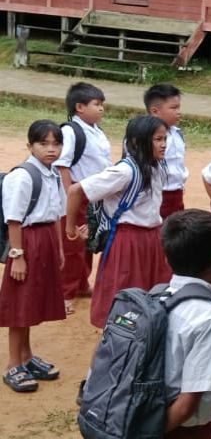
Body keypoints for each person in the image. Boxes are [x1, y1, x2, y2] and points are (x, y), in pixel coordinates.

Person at [67, 115, 171, 329]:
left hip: (152, 239)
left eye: (164, 139)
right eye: (157, 139)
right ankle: (117, 338)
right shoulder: (125, 171)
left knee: (151, 293)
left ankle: (139, 338)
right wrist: (70, 228)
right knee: (125, 294)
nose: (163, 145)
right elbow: (75, 190)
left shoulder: (154, 166)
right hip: (128, 242)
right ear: (136, 142)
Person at [1, 120, 67, 393]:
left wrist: (59, 249)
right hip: (26, 242)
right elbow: (14, 220)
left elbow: (56, 215)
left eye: (56, 144)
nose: (51, 149)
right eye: (43, 143)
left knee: (32, 302)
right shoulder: (23, 176)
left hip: (46, 240)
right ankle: (13, 364)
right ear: (30, 146)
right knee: (20, 304)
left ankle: (27, 356)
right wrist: (17, 256)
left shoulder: (54, 174)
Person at [161, 210, 211, 439]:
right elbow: (187, 406)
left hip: (146, 412)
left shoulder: (154, 297)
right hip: (180, 429)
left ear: (167, 259)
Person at [54, 82, 111, 315]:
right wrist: (71, 194)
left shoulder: (97, 131)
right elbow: (62, 165)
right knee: (73, 244)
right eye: (96, 104)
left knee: (88, 241)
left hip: (93, 195)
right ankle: (64, 293)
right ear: (80, 107)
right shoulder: (71, 131)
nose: (101, 109)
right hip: (77, 195)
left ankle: (80, 283)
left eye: (102, 104)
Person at [145, 84, 188, 219]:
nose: (178, 112)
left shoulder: (177, 133)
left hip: (177, 193)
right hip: (157, 194)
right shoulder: (145, 136)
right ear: (155, 111)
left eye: (179, 107)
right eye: (174, 108)